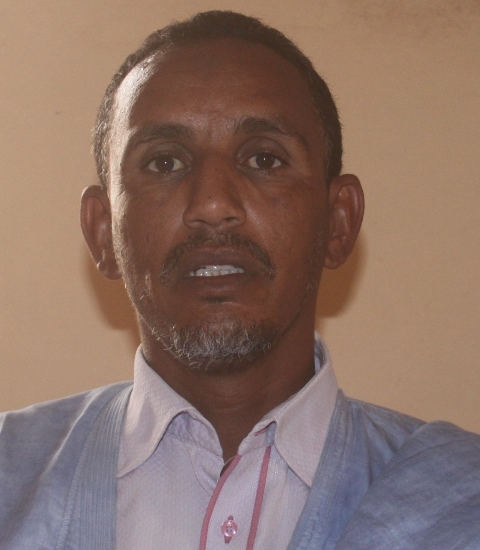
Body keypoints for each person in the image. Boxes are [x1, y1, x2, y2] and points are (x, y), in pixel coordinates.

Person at [1, 10, 479, 550]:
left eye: (264, 159)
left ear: (338, 223)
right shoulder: (9, 481)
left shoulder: (463, 504)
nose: (212, 203)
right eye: (164, 163)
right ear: (103, 232)